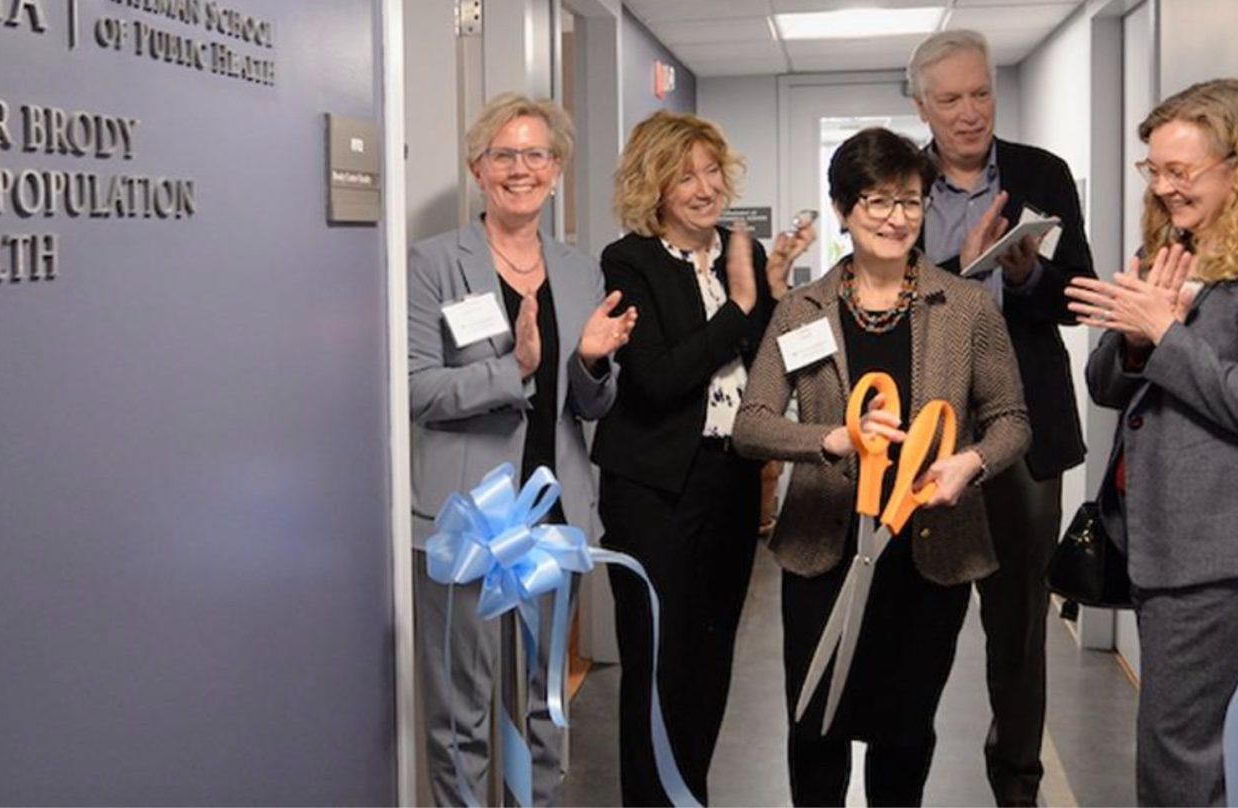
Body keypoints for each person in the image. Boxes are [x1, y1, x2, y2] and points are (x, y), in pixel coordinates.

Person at [736, 127, 1031, 807]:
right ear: (843, 209)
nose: (897, 218)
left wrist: (970, 464)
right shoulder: (801, 310)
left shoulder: (967, 307)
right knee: (815, 729)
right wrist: (833, 439)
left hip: (929, 553)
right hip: (823, 549)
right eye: (877, 201)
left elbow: (1012, 420)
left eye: (910, 201)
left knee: (905, 736)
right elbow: (751, 424)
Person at [1067, 78, 1238, 807]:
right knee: (1188, 756)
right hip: (1166, 547)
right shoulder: (1172, 249)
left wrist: (1166, 335)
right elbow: (1106, 385)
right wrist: (1136, 337)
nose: (1163, 187)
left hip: (1226, 559)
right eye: (1154, 170)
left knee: (1185, 765)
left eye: (1180, 171)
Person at [407, 93, 638, 807]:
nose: (520, 169)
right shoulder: (431, 264)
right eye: (503, 154)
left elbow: (590, 405)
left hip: (552, 514)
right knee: (461, 714)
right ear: (477, 168)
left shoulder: (579, 271)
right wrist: (517, 368)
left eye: (536, 154)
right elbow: (416, 389)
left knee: (545, 705)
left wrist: (591, 363)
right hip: (465, 521)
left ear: (556, 169)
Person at [591, 111, 814, 805]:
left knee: (713, 656)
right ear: (653, 187)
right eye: (684, 176)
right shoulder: (629, 260)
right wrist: (740, 307)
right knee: (659, 662)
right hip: (653, 489)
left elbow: (766, 362)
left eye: (712, 170)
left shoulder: (741, 250)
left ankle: (692, 794)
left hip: (731, 479)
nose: (705, 187)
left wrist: (772, 291)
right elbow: (657, 380)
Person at [904, 28, 1095, 806]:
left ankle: (1017, 786)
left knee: (1019, 630)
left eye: (981, 93)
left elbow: (1076, 294)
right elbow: (888, 304)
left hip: (1024, 432)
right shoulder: (901, 183)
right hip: (928, 432)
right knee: (921, 621)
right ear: (923, 107)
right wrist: (963, 271)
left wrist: (1028, 274)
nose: (970, 112)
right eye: (950, 99)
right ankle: (898, 782)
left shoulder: (1041, 173)